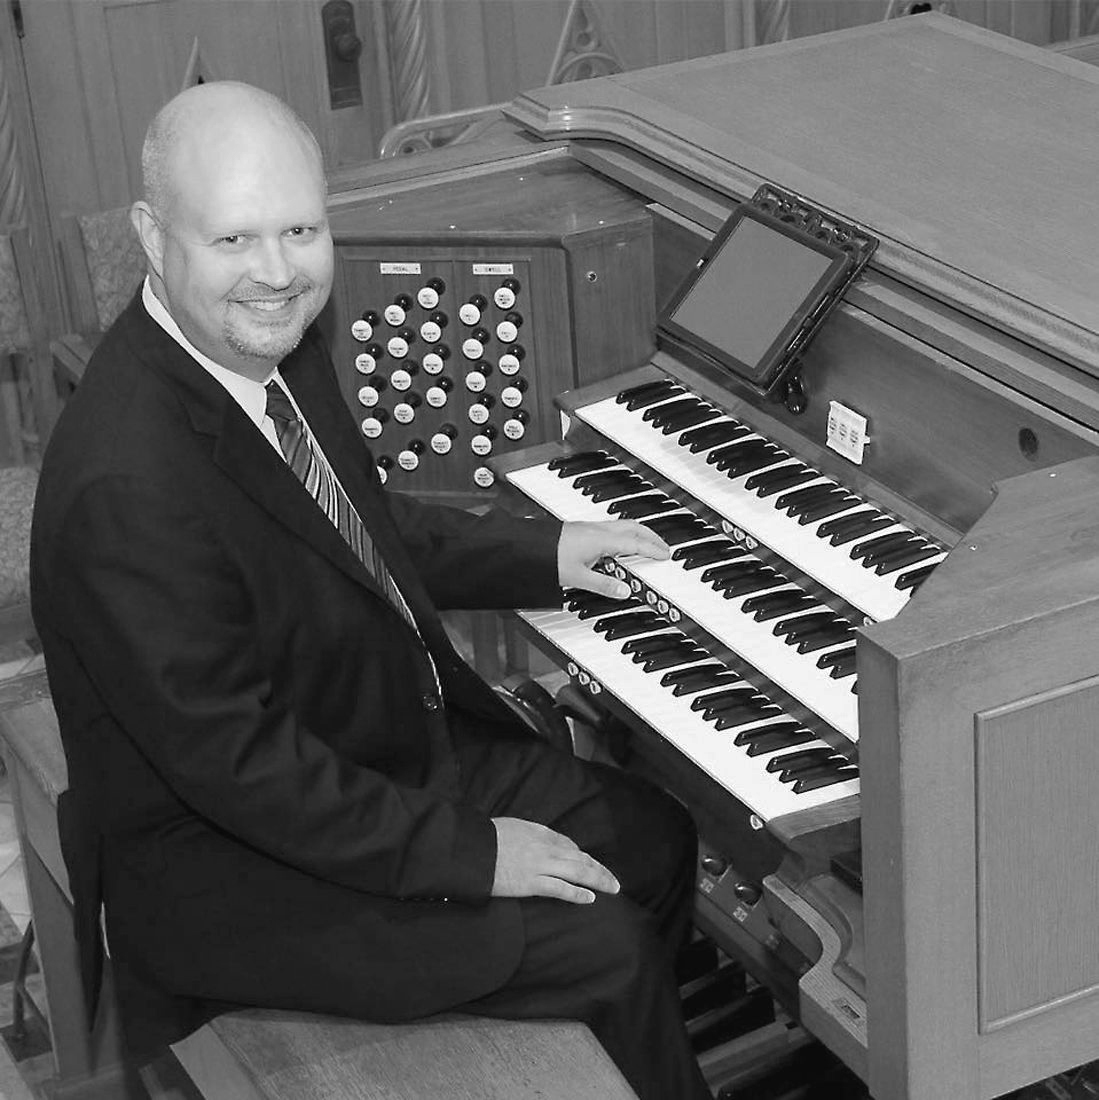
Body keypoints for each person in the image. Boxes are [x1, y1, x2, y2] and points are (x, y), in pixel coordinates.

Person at [30, 81, 712, 1100]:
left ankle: (609, 1062)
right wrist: (471, 852)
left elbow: (356, 525)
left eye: (300, 229)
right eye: (233, 240)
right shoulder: (126, 486)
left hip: (358, 743)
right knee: (601, 940)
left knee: (653, 839)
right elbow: (241, 769)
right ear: (150, 235)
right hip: (232, 863)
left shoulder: (268, 347)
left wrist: (542, 550)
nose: (275, 272)